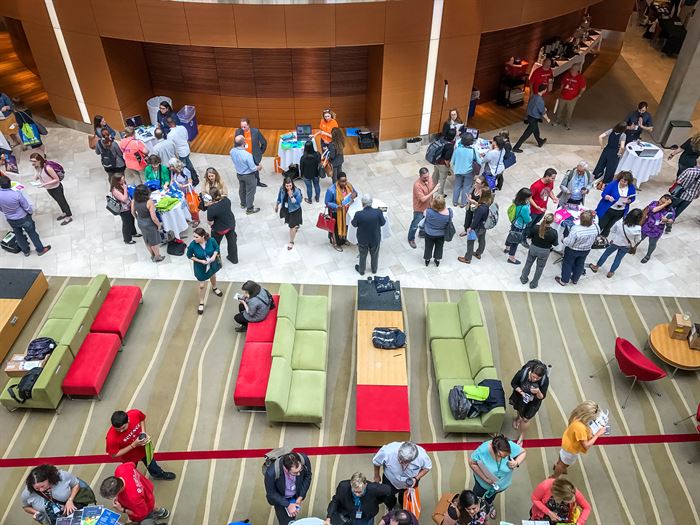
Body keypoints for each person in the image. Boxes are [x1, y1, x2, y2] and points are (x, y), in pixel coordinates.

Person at [105, 409, 176, 480]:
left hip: (144, 449)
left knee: (152, 464)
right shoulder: (111, 438)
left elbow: (142, 419)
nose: (121, 431)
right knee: (131, 473)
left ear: (128, 420)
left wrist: (143, 433)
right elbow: (114, 454)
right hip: (129, 458)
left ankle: (159, 474)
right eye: (117, 429)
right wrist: (133, 445)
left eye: (123, 428)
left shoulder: (134, 414)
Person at [469, 435, 526, 520]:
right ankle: (474, 508)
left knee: (492, 495)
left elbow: (523, 452)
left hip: (501, 484)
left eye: (505, 456)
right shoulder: (482, 451)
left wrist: (516, 462)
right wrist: (485, 479)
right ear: (493, 449)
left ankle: (489, 504)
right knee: (477, 495)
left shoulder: (508, 446)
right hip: (482, 483)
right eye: (500, 455)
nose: (503, 458)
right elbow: (472, 463)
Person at [99, 463, 170, 525]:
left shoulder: (132, 499)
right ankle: (161, 512)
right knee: (151, 503)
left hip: (143, 505)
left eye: (111, 497)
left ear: (119, 490)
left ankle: (158, 513)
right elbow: (132, 464)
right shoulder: (120, 469)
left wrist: (122, 509)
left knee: (147, 516)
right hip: (146, 490)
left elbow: (142, 514)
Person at [21, 465, 94, 524]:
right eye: (37, 488)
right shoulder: (27, 493)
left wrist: (70, 500)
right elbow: (25, 507)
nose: (41, 490)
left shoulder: (63, 476)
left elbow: (76, 484)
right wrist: (36, 512)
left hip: (73, 511)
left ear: (49, 479)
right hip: (53, 521)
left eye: (43, 486)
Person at [372, 441, 432, 511]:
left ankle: (402, 505)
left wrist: (416, 478)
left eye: (404, 461)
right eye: (399, 458)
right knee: (388, 497)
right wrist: (376, 475)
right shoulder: (387, 451)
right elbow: (376, 462)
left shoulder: (422, 456)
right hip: (390, 480)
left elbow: (427, 467)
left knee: (405, 498)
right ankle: (391, 506)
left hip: (409, 483)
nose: (400, 462)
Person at [0, 174, 51, 256]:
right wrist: (30, 212)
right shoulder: (16, 194)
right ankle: (40, 249)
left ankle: (26, 251)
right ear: (10, 184)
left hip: (10, 219)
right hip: (23, 218)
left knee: (18, 234)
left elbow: (1, 209)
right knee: (32, 233)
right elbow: (26, 206)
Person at [553, 400, 606, 477]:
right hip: (571, 449)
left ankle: (558, 465)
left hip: (567, 442)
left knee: (562, 458)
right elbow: (586, 445)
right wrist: (597, 435)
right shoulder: (580, 428)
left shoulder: (576, 416)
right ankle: (554, 476)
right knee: (563, 464)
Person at [589, 208, 642, 278]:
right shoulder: (638, 228)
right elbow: (638, 240)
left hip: (615, 242)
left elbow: (612, 230)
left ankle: (596, 267)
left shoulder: (620, 222)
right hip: (626, 245)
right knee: (618, 259)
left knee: (606, 254)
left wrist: (615, 237)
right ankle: (611, 272)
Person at [263, 451, 312, 525]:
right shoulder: (271, 473)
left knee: (292, 516)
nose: (299, 474)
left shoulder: (304, 459)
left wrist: (301, 496)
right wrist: (287, 505)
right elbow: (271, 493)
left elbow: (308, 476)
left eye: (300, 469)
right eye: (295, 472)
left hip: (295, 495)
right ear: (286, 469)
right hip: (280, 496)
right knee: (285, 523)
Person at [324, 472, 391, 525]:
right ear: (351, 484)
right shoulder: (343, 487)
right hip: (348, 514)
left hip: (366, 516)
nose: (357, 494)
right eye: (355, 491)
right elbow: (335, 501)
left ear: (365, 485)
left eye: (359, 492)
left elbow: (388, 490)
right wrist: (329, 517)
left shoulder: (374, 488)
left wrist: (377, 501)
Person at [509, 360, 549, 444]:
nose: (534, 379)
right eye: (533, 376)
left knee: (526, 419)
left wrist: (538, 392)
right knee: (519, 411)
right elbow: (513, 383)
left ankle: (522, 435)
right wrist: (521, 392)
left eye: (537, 378)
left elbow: (542, 397)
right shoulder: (522, 374)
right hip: (521, 397)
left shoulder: (544, 380)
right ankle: (518, 418)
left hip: (533, 402)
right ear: (531, 371)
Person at [555, 210, 597, 286]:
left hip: (573, 250)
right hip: (586, 250)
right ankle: (575, 280)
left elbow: (569, 242)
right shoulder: (596, 227)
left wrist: (563, 240)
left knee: (567, 264)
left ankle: (564, 281)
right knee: (580, 264)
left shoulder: (576, 229)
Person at [187, 227, 223, 315]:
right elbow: (189, 255)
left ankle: (214, 288)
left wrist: (214, 256)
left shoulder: (211, 240)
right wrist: (200, 261)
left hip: (211, 264)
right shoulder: (193, 245)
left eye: (196, 237)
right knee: (202, 285)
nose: (194, 239)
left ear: (203, 236)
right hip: (200, 267)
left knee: (213, 276)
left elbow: (216, 248)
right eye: (194, 236)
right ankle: (201, 302)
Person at [30, 152, 73, 225]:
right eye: (31, 161)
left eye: (34, 161)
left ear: (39, 160)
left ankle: (68, 216)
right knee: (59, 201)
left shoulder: (48, 168)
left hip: (56, 188)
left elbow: (56, 179)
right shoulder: (38, 167)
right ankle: (64, 213)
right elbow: (37, 177)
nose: (32, 163)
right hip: (49, 188)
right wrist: (37, 174)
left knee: (63, 202)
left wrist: (45, 184)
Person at [520, 213, 558, 289]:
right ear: (551, 222)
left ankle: (523, 278)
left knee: (528, 263)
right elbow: (555, 244)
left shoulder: (535, 227)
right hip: (544, 252)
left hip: (533, 248)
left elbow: (529, 236)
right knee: (540, 267)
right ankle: (534, 284)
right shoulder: (554, 232)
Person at [351, 194, 386, 275]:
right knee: (375, 254)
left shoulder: (358, 214)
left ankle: (361, 270)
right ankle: (374, 270)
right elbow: (383, 223)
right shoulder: (378, 212)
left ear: (362, 204)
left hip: (363, 239)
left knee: (363, 255)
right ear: (371, 203)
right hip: (375, 238)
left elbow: (354, 224)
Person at [595, 171, 637, 238]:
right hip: (609, 209)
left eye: (625, 182)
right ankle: (594, 237)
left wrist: (629, 201)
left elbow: (633, 198)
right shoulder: (613, 184)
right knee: (601, 224)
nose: (623, 183)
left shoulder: (631, 187)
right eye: (622, 181)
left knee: (609, 226)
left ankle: (602, 239)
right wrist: (608, 197)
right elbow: (603, 194)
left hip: (620, 211)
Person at [457, 188, 493, 264]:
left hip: (477, 227)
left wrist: (470, 228)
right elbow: (482, 206)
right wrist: (475, 202)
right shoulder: (488, 203)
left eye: (480, 192)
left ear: (483, 195)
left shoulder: (480, 209)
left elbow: (476, 220)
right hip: (484, 226)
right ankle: (478, 253)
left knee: (470, 242)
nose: (478, 193)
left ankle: (467, 258)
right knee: (482, 239)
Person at [131, 184, 165, 263]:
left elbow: (132, 212)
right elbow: (153, 217)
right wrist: (158, 225)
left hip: (140, 221)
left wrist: (137, 218)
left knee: (146, 240)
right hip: (149, 223)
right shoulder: (149, 202)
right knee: (154, 241)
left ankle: (152, 255)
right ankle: (157, 257)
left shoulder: (133, 200)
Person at [325, 172, 357, 252]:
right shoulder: (331, 190)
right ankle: (336, 243)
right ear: (338, 181)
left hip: (346, 211)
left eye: (345, 180)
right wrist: (337, 206)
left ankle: (344, 238)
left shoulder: (348, 185)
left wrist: (355, 194)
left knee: (346, 226)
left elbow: (355, 192)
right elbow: (327, 202)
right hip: (336, 213)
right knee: (335, 229)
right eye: (342, 181)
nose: (345, 183)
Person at [512, 83, 549, 153]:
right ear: (544, 90)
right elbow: (542, 112)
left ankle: (540, 141)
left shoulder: (533, 96)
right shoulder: (540, 100)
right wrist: (547, 118)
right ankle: (516, 147)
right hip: (534, 118)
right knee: (526, 134)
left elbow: (531, 106)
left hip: (530, 117)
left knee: (536, 131)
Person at [408, 167, 438, 249]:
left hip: (429, 206)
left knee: (426, 221)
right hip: (420, 209)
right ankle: (411, 238)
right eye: (424, 177)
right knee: (415, 224)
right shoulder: (417, 185)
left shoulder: (430, 179)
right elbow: (423, 199)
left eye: (428, 176)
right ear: (420, 176)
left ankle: (422, 233)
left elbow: (431, 189)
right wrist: (433, 191)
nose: (427, 179)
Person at [639, 194, 675, 263]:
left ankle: (648, 255)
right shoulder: (654, 203)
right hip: (646, 225)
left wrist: (667, 220)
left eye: (662, 202)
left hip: (657, 230)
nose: (660, 202)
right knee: (639, 238)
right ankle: (633, 248)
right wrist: (665, 204)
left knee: (652, 243)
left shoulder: (670, 210)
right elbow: (654, 210)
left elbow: (672, 220)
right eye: (660, 200)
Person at [230, 135, 260, 215]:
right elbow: (253, 168)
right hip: (249, 176)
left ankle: (243, 204)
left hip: (239, 174)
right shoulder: (247, 155)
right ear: (244, 143)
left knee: (242, 189)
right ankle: (249, 209)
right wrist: (259, 167)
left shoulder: (232, 151)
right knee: (250, 192)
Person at [207, 186, 238, 264]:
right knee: (232, 242)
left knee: (215, 246)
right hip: (230, 225)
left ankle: (218, 263)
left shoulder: (211, 208)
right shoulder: (227, 201)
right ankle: (233, 259)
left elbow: (210, 222)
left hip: (219, 229)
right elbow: (223, 198)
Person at [667, 160, 700, 230]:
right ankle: (670, 223)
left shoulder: (689, 170)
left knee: (671, 206)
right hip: (690, 197)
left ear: (697, 162)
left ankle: (664, 219)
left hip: (680, 193)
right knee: (679, 210)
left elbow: (679, 181)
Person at [235, 117, 268, 187]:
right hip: (243, 155)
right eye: (241, 127)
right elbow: (236, 144)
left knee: (256, 169)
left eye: (244, 127)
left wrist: (260, 152)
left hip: (254, 155)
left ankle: (257, 182)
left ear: (248, 125)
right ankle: (247, 183)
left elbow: (264, 142)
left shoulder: (256, 131)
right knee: (246, 170)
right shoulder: (238, 132)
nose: (243, 128)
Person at [451, 133, 481, 207]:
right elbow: (479, 162)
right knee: (466, 187)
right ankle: (463, 203)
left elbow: (453, 161)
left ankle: (455, 202)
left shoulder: (457, 149)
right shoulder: (473, 151)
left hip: (458, 171)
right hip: (469, 172)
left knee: (457, 186)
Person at [166, 116, 198, 185]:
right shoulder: (183, 128)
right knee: (188, 164)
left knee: (183, 169)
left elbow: (171, 146)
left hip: (180, 153)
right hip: (187, 149)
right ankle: (195, 178)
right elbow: (187, 138)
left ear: (168, 124)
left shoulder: (170, 135)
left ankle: (191, 180)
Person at [423, 194, 453, 267]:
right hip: (441, 234)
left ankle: (427, 259)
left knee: (428, 246)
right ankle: (437, 259)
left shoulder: (427, 211)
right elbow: (450, 219)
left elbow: (424, 216)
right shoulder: (449, 212)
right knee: (439, 247)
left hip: (429, 233)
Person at [168, 158, 199, 227]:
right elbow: (172, 180)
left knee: (191, 205)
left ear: (175, 166)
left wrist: (182, 185)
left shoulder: (185, 171)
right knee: (184, 206)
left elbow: (190, 182)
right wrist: (170, 186)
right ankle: (188, 217)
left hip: (187, 191)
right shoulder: (173, 171)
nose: (169, 168)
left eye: (171, 166)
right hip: (179, 192)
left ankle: (196, 219)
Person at [504, 187, 532, 264]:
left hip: (514, 222)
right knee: (515, 242)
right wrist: (530, 218)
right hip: (519, 226)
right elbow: (527, 219)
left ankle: (507, 248)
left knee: (511, 234)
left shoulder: (516, 202)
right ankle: (511, 257)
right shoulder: (525, 207)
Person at [111, 174, 140, 244]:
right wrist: (125, 189)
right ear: (117, 181)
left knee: (131, 220)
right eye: (122, 180)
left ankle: (133, 232)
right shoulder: (115, 190)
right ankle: (127, 239)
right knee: (126, 223)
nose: (124, 181)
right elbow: (124, 199)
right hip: (124, 210)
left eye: (124, 179)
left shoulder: (122, 184)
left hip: (129, 206)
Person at [276, 176, 303, 250]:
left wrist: (291, 196)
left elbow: (298, 202)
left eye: (290, 185)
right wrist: (277, 205)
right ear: (284, 185)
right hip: (286, 209)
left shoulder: (296, 191)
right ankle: (296, 225)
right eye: (287, 186)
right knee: (290, 223)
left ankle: (291, 241)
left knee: (292, 227)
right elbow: (279, 197)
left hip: (294, 210)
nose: (288, 187)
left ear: (292, 184)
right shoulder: (282, 188)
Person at [528, 168, 558, 235]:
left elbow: (549, 190)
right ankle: (524, 237)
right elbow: (529, 198)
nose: (554, 180)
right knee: (529, 224)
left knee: (536, 222)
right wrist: (537, 207)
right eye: (552, 178)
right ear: (547, 176)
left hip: (543, 208)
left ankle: (530, 233)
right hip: (534, 210)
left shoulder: (550, 182)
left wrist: (553, 198)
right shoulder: (535, 186)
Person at [432, 128, 456, 197]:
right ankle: (440, 194)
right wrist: (448, 167)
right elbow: (446, 159)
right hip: (442, 164)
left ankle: (433, 188)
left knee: (435, 175)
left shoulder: (441, 139)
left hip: (436, 161)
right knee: (442, 179)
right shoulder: (450, 146)